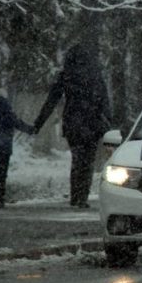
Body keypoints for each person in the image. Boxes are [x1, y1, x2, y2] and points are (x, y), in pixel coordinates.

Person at [33, 43, 112, 208]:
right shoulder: (94, 75)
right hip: (92, 124)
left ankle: (75, 195)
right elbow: (104, 101)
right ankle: (82, 197)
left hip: (73, 124)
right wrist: (109, 122)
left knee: (77, 159)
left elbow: (51, 101)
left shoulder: (66, 76)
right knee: (88, 161)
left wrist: (38, 123)